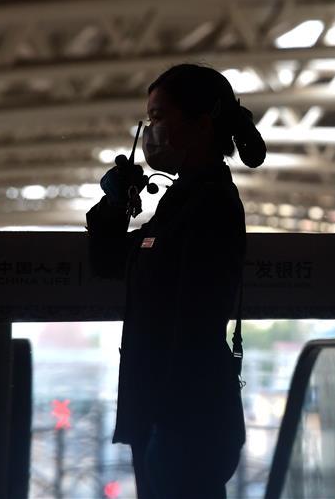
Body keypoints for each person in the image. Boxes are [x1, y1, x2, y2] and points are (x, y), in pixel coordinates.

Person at [85, 63, 267, 498]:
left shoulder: (210, 205)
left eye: (159, 116)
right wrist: (114, 204)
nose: (151, 130)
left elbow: (195, 324)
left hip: (183, 422)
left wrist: (167, 421)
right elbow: (112, 261)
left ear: (202, 123)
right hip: (167, 416)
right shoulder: (181, 201)